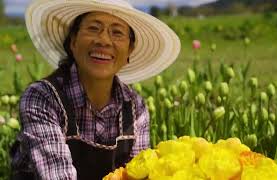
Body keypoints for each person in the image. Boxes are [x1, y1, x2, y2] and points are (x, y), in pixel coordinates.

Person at [11, 0, 180, 179]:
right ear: (73, 42)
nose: (104, 40)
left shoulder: (135, 108)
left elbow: (139, 174)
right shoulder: (42, 98)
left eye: (117, 32)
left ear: (130, 50)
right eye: (93, 28)